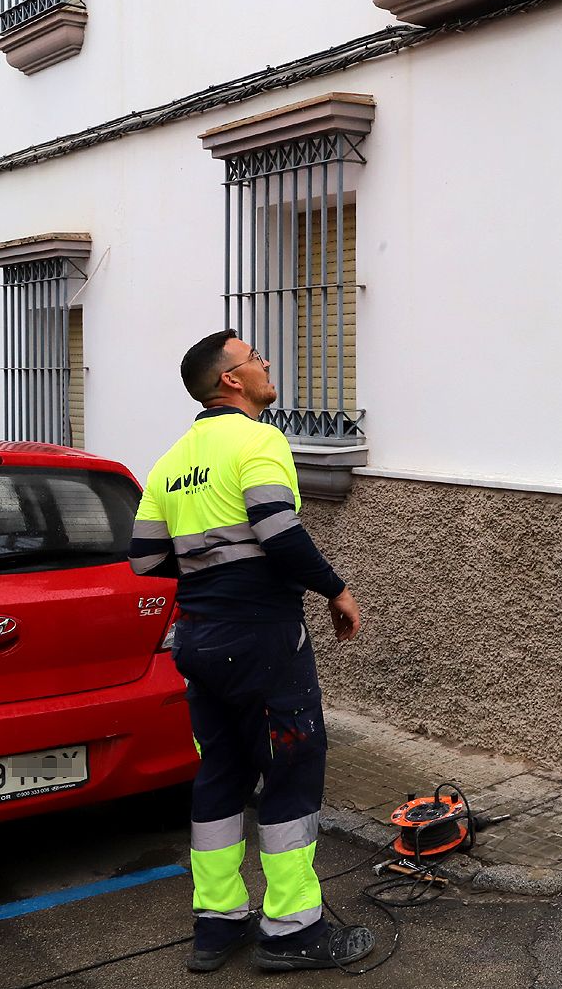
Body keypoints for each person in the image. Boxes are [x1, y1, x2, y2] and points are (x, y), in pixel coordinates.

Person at [129, 331, 374, 973]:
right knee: (292, 768)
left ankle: (218, 923)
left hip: (200, 640)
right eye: (254, 358)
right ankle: (292, 931)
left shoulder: (171, 460)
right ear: (231, 381)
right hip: (262, 636)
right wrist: (337, 589)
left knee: (220, 775)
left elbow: (147, 558)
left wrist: (207, 563)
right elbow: (277, 528)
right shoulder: (260, 440)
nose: (266, 365)